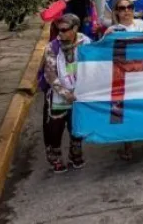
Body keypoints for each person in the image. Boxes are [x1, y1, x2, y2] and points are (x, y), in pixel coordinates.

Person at [104, 0, 143, 158]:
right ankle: (128, 146)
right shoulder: (112, 30)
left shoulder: (142, 25)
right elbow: (104, 54)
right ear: (116, 12)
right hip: (124, 78)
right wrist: (106, 39)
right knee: (127, 111)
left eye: (129, 7)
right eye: (122, 8)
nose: (126, 11)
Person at [40, 14, 89, 173]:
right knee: (55, 129)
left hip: (79, 94)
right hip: (58, 97)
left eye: (64, 30)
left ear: (75, 28)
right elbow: (50, 74)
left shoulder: (86, 43)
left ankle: (75, 154)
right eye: (58, 30)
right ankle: (55, 158)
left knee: (76, 127)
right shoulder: (52, 47)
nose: (60, 33)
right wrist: (65, 92)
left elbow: (95, 62)